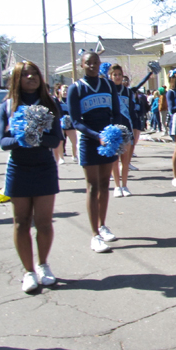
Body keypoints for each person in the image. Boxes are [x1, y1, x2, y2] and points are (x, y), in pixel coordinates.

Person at [0, 61, 63, 292]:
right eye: (25, 74)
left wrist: (36, 136)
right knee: (21, 222)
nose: (31, 77)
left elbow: (56, 139)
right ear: (17, 78)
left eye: (34, 73)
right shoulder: (8, 106)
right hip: (18, 168)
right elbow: (3, 142)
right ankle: (28, 271)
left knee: (44, 223)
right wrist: (22, 138)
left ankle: (43, 265)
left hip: (44, 167)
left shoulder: (50, 104)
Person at [68, 51, 121, 252]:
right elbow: (75, 122)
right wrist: (96, 135)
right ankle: (94, 235)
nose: (92, 65)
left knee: (105, 183)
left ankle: (102, 224)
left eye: (95, 62)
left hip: (107, 139)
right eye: (88, 63)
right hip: (89, 141)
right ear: (82, 65)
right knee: (92, 186)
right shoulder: (76, 88)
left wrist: (113, 132)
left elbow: (116, 112)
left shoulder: (108, 85)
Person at [107, 65, 136, 197]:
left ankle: (125, 185)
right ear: (110, 76)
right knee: (114, 159)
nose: (118, 77)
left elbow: (131, 112)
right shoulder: (107, 91)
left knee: (125, 159)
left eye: (119, 74)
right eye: (115, 75)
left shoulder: (128, 92)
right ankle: (117, 186)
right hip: (113, 128)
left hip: (126, 127)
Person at [56, 85, 79, 163]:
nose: (65, 92)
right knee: (61, 141)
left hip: (70, 123)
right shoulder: (57, 101)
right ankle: (61, 158)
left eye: (66, 91)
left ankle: (74, 156)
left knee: (74, 141)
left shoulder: (71, 100)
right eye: (63, 91)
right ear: (60, 91)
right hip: (61, 123)